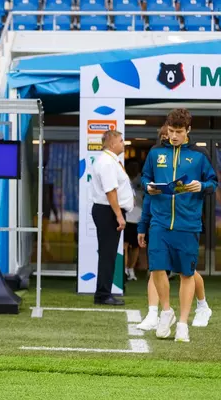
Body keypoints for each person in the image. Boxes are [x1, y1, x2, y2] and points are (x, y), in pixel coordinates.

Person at [141, 109, 217, 342]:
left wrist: (201, 186)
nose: (174, 136)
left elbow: (213, 182)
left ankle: (183, 324)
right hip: (160, 222)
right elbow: (145, 178)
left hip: (188, 223)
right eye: (171, 131)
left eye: (179, 132)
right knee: (156, 268)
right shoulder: (155, 152)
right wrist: (148, 187)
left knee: (186, 273)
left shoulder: (200, 155)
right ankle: (166, 312)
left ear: (188, 131)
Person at [90, 130, 134, 306]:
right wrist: (119, 216)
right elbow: (111, 191)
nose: (124, 143)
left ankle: (103, 292)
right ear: (112, 143)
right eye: (121, 141)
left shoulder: (110, 161)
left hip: (109, 211)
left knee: (108, 253)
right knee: (108, 254)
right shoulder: (107, 162)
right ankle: (103, 294)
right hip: (108, 211)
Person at [124, 159, 142, 281]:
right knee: (125, 245)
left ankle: (130, 270)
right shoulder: (124, 179)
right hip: (126, 217)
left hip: (138, 218)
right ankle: (125, 270)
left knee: (135, 246)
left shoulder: (142, 181)